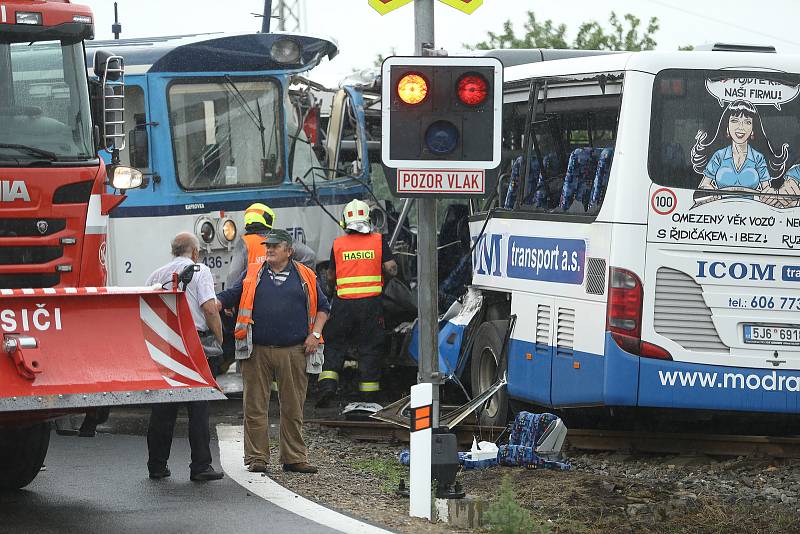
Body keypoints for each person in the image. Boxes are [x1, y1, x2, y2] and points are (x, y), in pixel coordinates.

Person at [217, 229, 329, 474]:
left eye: (275, 246)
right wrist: (214, 303)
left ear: (289, 251)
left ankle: (294, 457)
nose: (268, 249)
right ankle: (257, 457)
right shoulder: (254, 273)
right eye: (268, 246)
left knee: (293, 406)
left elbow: (323, 308)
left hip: (294, 350)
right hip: (256, 351)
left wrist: (316, 334)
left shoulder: (306, 276)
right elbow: (232, 294)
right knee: (255, 406)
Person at [145, 232, 224, 482]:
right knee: (198, 406)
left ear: (173, 251)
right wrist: (220, 337)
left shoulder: (156, 275)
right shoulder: (200, 270)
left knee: (162, 408)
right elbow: (210, 309)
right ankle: (200, 466)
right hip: (194, 345)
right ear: (195, 252)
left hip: (165, 344)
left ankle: (157, 465)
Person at [316, 199, 397, 408]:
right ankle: (369, 395)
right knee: (370, 347)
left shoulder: (338, 244)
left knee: (334, 344)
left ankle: (327, 387)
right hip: (371, 305)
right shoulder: (378, 241)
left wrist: (332, 289)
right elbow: (391, 269)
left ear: (345, 222)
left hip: (343, 305)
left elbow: (331, 275)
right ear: (368, 220)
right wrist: (381, 281)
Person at [691, 99, 788, 203]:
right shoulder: (719, 156)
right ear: (727, 126)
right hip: (719, 210)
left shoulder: (758, 158)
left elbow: (766, 190)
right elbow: (704, 185)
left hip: (752, 213)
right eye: (734, 121)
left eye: (747, 122)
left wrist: (769, 195)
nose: (740, 127)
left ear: (753, 128)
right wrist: (708, 191)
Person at [225, 202, 316, 289]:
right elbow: (309, 256)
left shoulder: (243, 244)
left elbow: (233, 275)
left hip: (254, 301)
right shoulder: (282, 238)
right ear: (268, 219)